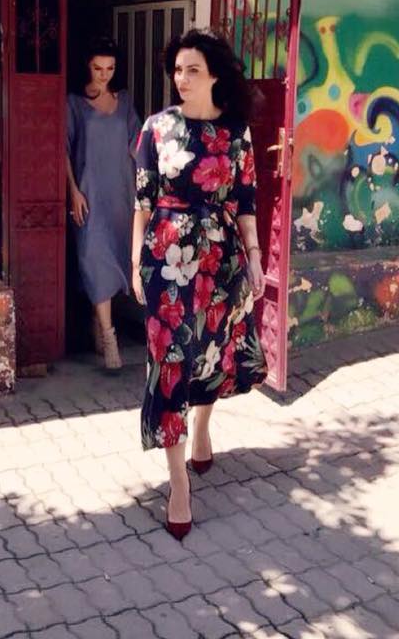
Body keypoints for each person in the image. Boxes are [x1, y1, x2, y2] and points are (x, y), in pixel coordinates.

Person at [132, 28, 267, 539]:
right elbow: (142, 200)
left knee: (212, 350)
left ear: (214, 76)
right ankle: (178, 483)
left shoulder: (236, 132)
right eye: (177, 70)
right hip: (166, 260)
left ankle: (203, 428)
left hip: (222, 259)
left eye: (192, 70)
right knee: (169, 363)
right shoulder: (157, 128)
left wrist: (255, 257)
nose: (181, 79)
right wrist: (135, 260)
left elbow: (246, 201)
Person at [67, 37, 141, 371]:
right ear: (88, 66)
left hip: (121, 193)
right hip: (89, 195)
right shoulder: (74, 103)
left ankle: (98, 323)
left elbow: (138, 144)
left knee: (117, 259)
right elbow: (63, 149)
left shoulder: (124, 102)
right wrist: (73, 191)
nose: (104, 74)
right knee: (94, 259)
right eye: (98, 68)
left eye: (110, 68)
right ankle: (110, 338)